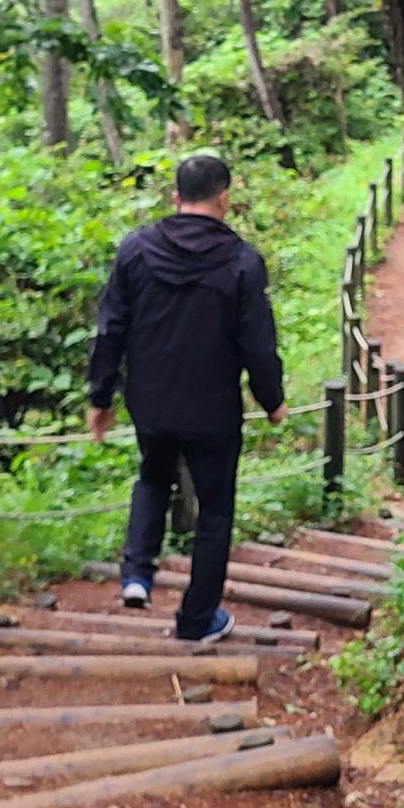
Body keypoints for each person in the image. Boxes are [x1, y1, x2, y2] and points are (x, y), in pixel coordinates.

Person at [88, 154, 286, 641]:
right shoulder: (243, 262)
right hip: (213, 409)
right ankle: (196, 621)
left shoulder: (136, 250)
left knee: (153, 478)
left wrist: (101, 395)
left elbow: (110, 327)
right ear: (225, 198)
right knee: (215, 511)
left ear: (175, 199)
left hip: (151, 403)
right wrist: (271, 400)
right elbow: (257, 344)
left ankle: (137, 576)